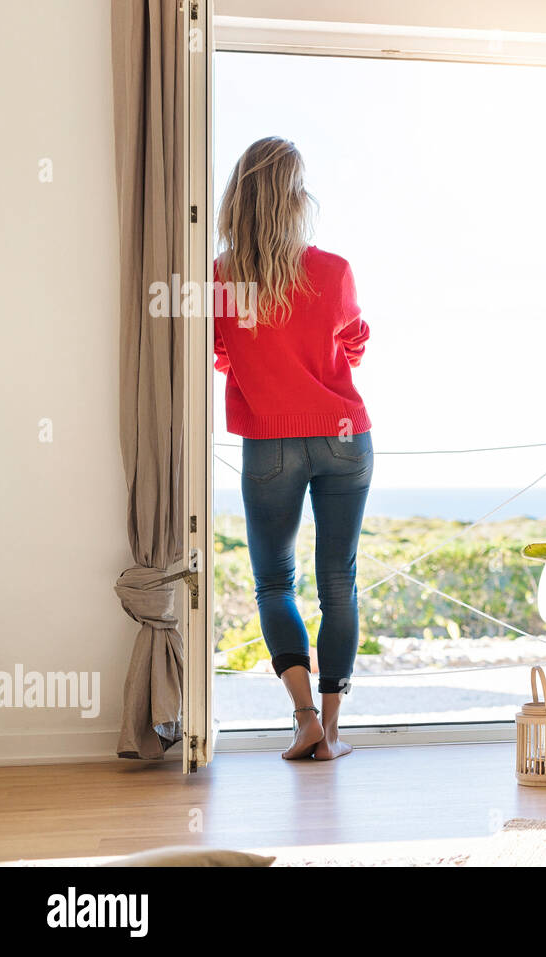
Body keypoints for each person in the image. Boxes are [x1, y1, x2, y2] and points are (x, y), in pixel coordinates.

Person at [213, 137, 372, 760]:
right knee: (340, 582)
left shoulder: (222, 277)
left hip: (269, 443)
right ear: (293, 198)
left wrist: (264, 362)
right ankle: (332, 731)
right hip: (343, 435)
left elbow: (221, 353)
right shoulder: (332, 270)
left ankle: (304, 718)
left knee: (275, 583)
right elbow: (354, 343)